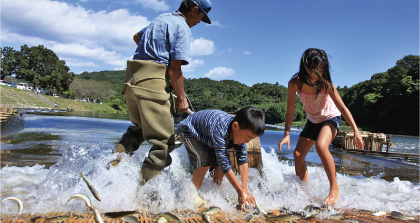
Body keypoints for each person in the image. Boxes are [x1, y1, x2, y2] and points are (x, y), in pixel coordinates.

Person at [113, 0, 213, 184]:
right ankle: (143, 196)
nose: (199, 22)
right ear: (194, 10)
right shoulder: (182, 28)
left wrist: (151, 53)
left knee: (139, 131)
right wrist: (182, 100)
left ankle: (109, 174)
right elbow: (175, 70)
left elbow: (137, 37)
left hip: (132, 80)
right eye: (201, 17)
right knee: (165, 143)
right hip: (152, 82)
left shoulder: (162, 19)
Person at [278, 48, 364, 205]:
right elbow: (290, 111)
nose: (317, 74)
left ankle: (334, 189)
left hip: (331, 118)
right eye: (315, 70)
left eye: (322, 70)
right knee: (298, 154)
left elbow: (343, 108)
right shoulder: (295, 83)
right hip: (312, 121)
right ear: (306, 67)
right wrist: (287, 133)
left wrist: (356, 131)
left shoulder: (326, 85)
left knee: (321, 146)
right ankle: (302, 191)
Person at [176, 106, 266, 211]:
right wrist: (239, 190)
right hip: (190, 131)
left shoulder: (239, 133)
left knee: (222, 163)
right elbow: (225, 164)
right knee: (206, 161)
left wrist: (245, 189)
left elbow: (242, 160)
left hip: (208, 135)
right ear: (235, 126)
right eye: (246, 138)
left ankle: (215, 189)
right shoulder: (221, 130)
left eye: (250, 139)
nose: (247, 142)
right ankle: (191, 195)